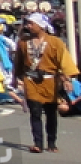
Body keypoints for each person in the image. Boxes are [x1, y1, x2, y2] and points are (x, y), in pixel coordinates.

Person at [17, 13, 77, 153]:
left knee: (51, 113)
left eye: (31, 23)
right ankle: (37, 143)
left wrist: (66, 79)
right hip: (31, 80)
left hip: (50, 81)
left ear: (41, 26)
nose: (28, 26)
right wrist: (16, 77)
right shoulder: (23, 42)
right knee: (35, 112)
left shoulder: (56, 42)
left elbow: (63, 62)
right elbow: (18, 61)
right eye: (28, 23)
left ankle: (51, 142)